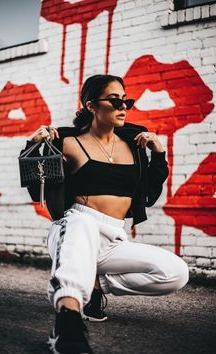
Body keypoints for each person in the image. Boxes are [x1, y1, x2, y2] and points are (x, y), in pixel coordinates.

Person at [21, 74, 189, 354]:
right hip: (74, 226)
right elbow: (33, 181)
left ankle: (96, 283)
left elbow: (149, 193)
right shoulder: (69, 142)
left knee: (176, 272)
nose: (123, 106)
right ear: (91, 106)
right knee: (83, 222)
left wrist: (158, 154)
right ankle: (68, 321)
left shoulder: (133, 145)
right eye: (114, 100)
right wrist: (34, 143)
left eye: (126, 101)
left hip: (113, 236)